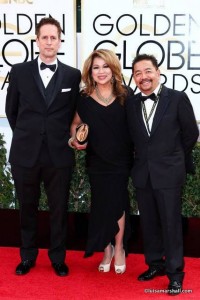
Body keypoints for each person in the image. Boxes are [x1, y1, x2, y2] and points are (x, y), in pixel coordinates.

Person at [5, 17, 81, 276]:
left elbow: (72, 112)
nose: (49, 42)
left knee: (59, 209)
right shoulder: (19, 71)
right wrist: (30, 135)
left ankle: (58, 257)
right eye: (44, 37)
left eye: (54, 37)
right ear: (37, 40)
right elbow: (11, 111)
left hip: (58, 155)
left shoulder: (73, 74)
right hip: (25, 154)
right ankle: (27, 256)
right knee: (27, 207)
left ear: (60, 41)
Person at [126, 54, 199, 295]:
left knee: (171, 225)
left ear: (158, 72)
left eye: (148, 71)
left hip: (169, 173)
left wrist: (172, 156)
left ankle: (175, 274)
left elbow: (190, 133)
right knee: (149, 223)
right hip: (143, 174)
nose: (143, 77)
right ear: (134, 78)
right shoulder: (132, 103)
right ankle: (154, 264)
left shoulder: (177, 99)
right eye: (138, 73)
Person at [69, 49, 134, 274]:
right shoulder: (84, 98)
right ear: (90, 72)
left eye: (105, 66)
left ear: (113, 68)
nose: (101, 71)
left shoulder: (126, 95)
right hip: (96, 160)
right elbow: (76, 123)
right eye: (96, 67)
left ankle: (119, 247)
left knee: (117, 202)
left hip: (121, 160)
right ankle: (106, 249)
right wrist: (75, 139)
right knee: (100, 204)